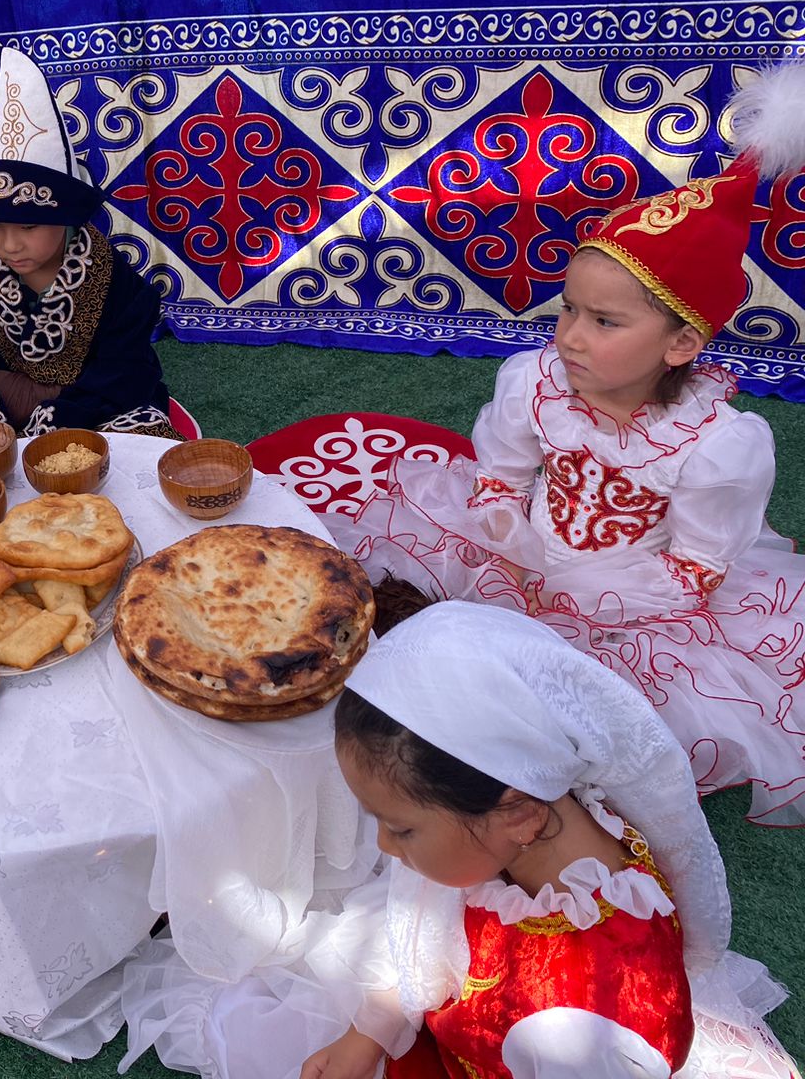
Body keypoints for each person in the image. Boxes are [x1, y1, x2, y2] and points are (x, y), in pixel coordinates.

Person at [328, 64, 805, 825]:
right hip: (524, 547)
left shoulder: (719, 446)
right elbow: (504, 472)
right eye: (568, 310)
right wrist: (503, 529)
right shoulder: (537, 380)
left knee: (578, 719)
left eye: (605, 322)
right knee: (403, 608)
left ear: (681, 343)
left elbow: (694, 568)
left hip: (632, 594)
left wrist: (574, 593)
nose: (571, 338)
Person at [121, 602, 798, 1079]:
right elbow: (428, 937)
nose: (385, 850)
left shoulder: (588, 1022)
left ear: (518, 813)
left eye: (403, 827)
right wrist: (370, 1034)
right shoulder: (536, 835)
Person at [0, 45, 176, 463]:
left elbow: (125, 373)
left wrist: (60, 420)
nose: (9, 244)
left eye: (28, 226)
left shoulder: (114, 281)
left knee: (148, 440)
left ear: (66, 219)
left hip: (88, 413)